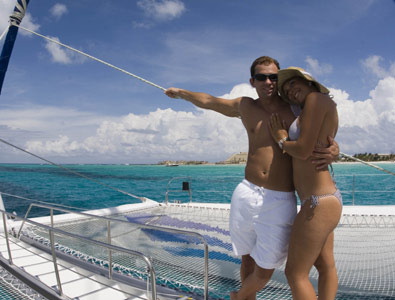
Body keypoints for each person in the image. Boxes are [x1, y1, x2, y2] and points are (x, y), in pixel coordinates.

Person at [165, 56, 338, 300]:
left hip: (280, 197)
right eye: (262, 77)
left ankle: (237, 296)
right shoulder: (246, 106)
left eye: (273, 77)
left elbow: (322, 131)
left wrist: (333, 149)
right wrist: (183, 93)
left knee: (267, 268)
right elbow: (211, 102)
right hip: (246, 192)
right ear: (252, 81)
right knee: (246, 257)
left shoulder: (296, 107)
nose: (268, 81)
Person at [269, 67, 342, 300]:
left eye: (293, 82)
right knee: (324, 265)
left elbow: (303, 149)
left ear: (310, 82)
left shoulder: (315, 98)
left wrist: (281, 139)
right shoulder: (312, 106)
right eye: (286, 89)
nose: (290, 90)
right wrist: (335, 151)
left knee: (295, 273)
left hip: (318, 201)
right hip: (323, 198)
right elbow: (320, 141)